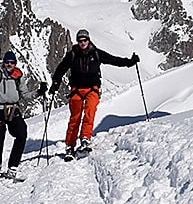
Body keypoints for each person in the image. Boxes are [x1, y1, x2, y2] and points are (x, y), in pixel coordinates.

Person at [49, 28, 138, 159]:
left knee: (89, 112)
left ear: (88, 40)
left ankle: (85, 138)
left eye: (85, 40)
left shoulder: (96, 53)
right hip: (76, 90)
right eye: (80, 40)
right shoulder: (72, 55)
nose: (82, 43)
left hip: (92, 89)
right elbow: (61, 69)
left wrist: (130, 62)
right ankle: (70, 145)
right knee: (75, 118)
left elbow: (113, 60)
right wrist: (55, 83)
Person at [0, 50, 45, 181]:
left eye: (12, 62)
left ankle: (12, 168)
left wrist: (39, 92)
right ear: (4, 62)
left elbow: (25, 95)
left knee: (21, 134)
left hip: (13, 110)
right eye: (7, 62)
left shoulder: (18, 77)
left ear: (15, 63)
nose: (9, 64)